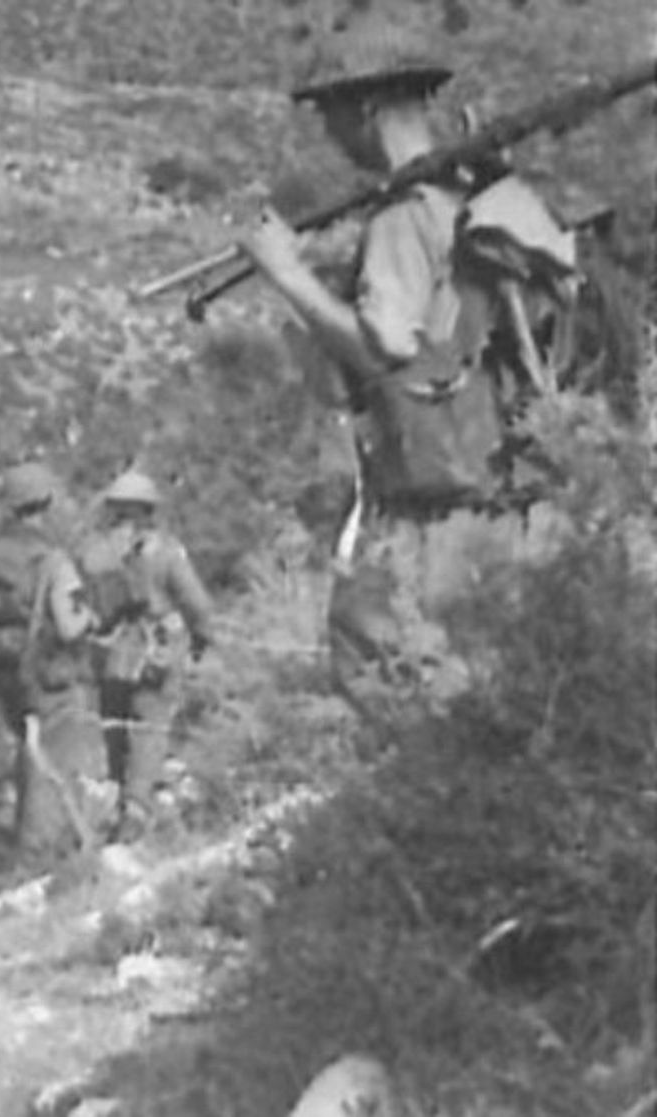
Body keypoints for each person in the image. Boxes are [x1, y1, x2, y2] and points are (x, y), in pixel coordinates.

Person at [234, 17, 565, 720]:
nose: (328, 132)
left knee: (386, 675)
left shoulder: (402, 216)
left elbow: (385, 350)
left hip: (436, 520)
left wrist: (287, 275)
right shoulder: (468, 196)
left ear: (366, 107)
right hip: (501, 499)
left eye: (330, 114)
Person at [0, 462, 99, 861]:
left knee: (23, 751)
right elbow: (69, 626)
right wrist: (90, 616)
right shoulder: (52, 560)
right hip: (44, 671)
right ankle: (41, 849)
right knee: (56, 750)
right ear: (47, 503)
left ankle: (27, 836)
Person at [77, 468, 216, 845]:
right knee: (150, 730)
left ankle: (119, 805)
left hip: (109, 655)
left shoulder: (95, 552)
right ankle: (136, 813)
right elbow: (197, 603)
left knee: (116, 730)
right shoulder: (166, 551)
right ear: (148, 508)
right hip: (156, 651)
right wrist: (202, 638)